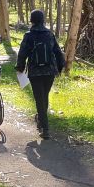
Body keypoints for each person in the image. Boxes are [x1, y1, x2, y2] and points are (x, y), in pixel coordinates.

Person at [16, 9, 65, 139]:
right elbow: (58, 52)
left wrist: (20, 67)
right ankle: (41, 119)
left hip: (35, 72)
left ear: (31, 20)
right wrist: (60, 68)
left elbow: (22, 53)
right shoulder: (49, 34)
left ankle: (45, 129)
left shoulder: (29, 35)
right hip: (50, 71)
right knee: (44, 96)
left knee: (40, 99)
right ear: (43, 19)